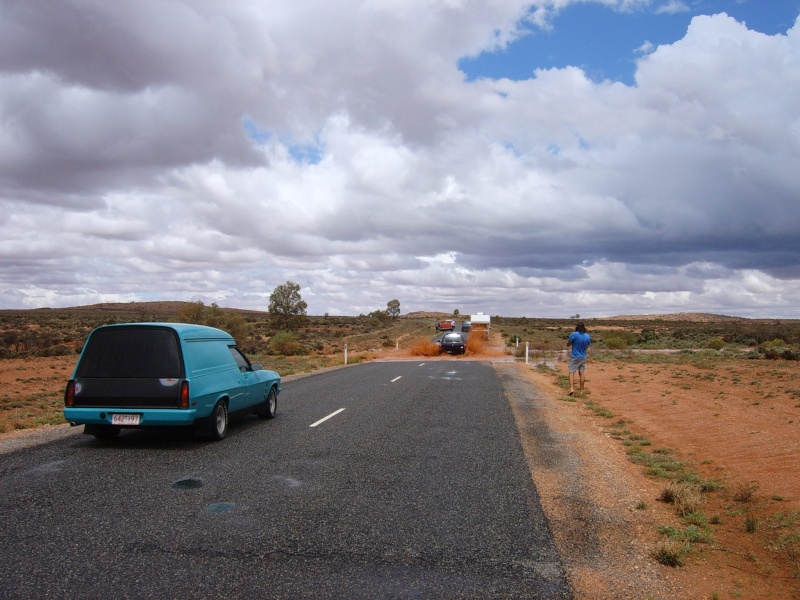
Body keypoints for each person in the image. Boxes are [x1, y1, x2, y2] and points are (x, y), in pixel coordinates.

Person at [567, 322, 591, 395]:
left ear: (576, 327)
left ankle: (571, 389)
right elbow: (587, 346)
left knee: (571, 372)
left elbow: (568, 344)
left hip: (574, 356)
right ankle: (581, 390)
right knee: (582, 373)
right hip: (583, 356)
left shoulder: (574, 334)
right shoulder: (587, 336)